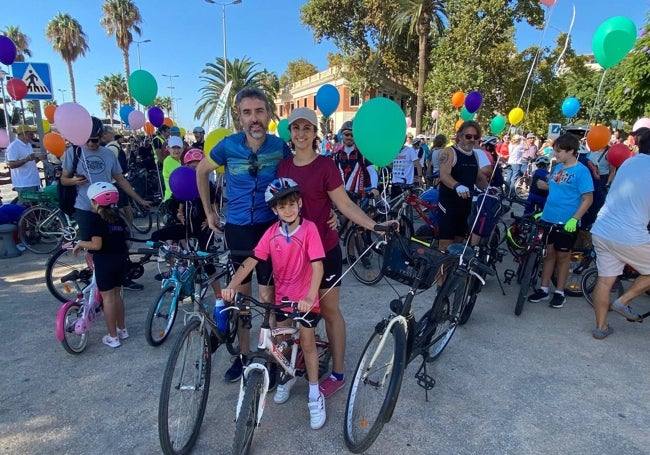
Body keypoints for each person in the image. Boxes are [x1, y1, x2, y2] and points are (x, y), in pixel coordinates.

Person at [277, 107, 397, 398]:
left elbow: (344, 204)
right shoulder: (282, 167)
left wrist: (374, 225)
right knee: (292, 315)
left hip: (325, 250)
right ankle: (293, 367)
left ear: (316, 133)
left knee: (330, 311)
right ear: (290, 133)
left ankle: (339, 373)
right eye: (296, 128)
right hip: (294, 255)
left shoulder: (326, 166)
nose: (301, 133)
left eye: (307, 128)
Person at [197, 86, 293, 383]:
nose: (254, 119)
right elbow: (201, 171)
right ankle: (242, 354)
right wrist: (209, 212)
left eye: (259, 111)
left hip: (269, 227)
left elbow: (297, 179)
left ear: (268, 114)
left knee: (269, 294)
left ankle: (271, 356)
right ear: (239, 117)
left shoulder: (280, 147)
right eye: (247, 113)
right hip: (238, 228)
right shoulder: (227, 146)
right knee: (241, 295)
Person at [221, 177, 327, 429]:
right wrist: (232, 286)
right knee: (281, 344)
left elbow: (318, 266)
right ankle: (288, 378)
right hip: (283, 298)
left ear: (299, 203)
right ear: (273, 210)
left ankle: (314, 394)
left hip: (304, 297)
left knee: (308, 343)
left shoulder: (309, 229)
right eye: (282, 206)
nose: (288, 209)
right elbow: (251, 261)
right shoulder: (271, 233)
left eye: (292, 204)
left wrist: (310, 296)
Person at [59, 117, 151, 291]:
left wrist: (138, 199)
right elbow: (64, 180)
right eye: (88, 139)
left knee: (118, 242)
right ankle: (98, 283)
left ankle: (121, 277)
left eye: (95, 139)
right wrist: (75, 181)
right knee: (96, 246)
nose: (92, 143)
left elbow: (120, 179)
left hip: (107, 206)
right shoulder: (74, 152)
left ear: (101, 136)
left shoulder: (108, 153)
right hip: (85, 207)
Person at [590, 127, 650, 339]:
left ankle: (601, 327)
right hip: (629, 234)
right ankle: (623, 301)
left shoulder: (629, 162)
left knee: (605, 281)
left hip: (602, 228)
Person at [527, 133, 593, 308]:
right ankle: (543, 288)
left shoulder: (581, 171)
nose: (556, 154)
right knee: (549, 254)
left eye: (559, 151)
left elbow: (588, 198)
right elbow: (557, 187)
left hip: (567, 220)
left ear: (571, 151)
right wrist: (545, 186)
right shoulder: (557, 168)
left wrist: (575, 219)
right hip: (549, 217)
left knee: (563, 256)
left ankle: (560, 292)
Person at [72, 182, 129, 348]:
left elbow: (96, 245)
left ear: (94, 202)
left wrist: (80, 243)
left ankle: (113, 337)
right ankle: (122, 329)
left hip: (105, 261)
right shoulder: (118, 218)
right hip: (121, 259)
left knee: (108, 300)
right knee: (117, 295)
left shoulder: (96, 220)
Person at [437, 120, 490, 252]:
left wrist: (490, 189)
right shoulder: (449, 152)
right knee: (446, 246)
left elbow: (477, 177)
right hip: (448, 204)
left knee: (458, 246)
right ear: (460, 136)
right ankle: (439, 273)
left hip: (465, 205)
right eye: (468, 136)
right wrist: (457, 186)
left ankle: (452, 272)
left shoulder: (474, 155)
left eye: (475, 137)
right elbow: (444, 175)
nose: (472, 140)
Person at [331, 120, 379, 197]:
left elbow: (372, 171)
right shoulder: (337, 155)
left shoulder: (362, 154)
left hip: (357, 197)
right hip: (340, 197)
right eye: (347, 134)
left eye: (352, 135)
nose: (349, 137)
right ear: (342, 135)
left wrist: (374, 187)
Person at [6, 125, 41, 198]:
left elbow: (30, 163)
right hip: (24, 183)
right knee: (26, 206)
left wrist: (39, 158)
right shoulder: (14, 146)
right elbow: (11, 165)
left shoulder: (28, 145)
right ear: (23, 134)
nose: (32, 136)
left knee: (35, 207)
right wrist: (26, 159)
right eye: (30, 134)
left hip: (33, 181)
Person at [162, 136, 183, 202]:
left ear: (182, 149)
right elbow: (181, 179)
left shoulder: (178, 161)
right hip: (172, 199)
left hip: (176, 197)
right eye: (174, 148)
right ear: (168, 148)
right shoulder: (169, 161)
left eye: (178, 147)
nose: (176, 150)